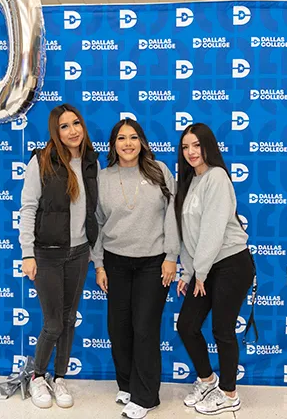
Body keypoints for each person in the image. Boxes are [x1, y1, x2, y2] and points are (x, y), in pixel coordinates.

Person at [92, 118, 179, 419]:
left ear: (142, 141)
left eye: (133, 137)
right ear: (113, 145)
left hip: (153, 263)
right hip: (115, 262)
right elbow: (98, 224)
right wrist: (99, 264)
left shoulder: (159, 171)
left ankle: (146, 397)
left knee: (144, 329)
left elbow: (174, 215)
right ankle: (127, 385)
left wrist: (172, 256)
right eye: (121, 139)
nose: (127, 144)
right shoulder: (103, 178)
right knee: (119, 328)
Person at [18, 103, 99, 409]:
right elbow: (28, 209)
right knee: (53, 323)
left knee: (68, 319)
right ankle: (38, 376)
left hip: (79, 253)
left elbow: (96, 212)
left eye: (76, 123)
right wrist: (28, 253)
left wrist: (95, 252)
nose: (72, 131)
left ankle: (59, 376)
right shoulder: (42, 161)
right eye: (64, 126)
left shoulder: (92, 162)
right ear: (55, 130)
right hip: (48, 254)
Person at [174, 123, 255, 415]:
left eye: (197, 145)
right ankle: (208, 379)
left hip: (231, 263)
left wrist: (201, 273)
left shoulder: (217, 177)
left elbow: (212, 230)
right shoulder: (190, 181)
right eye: (186, 147)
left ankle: (230, 394)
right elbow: (188, 234)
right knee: (187, 325)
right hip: (205, 267)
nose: (191, 152)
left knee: (222, 330)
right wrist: (188, 273)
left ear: (208, 146)